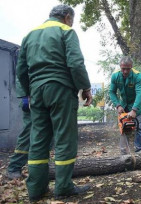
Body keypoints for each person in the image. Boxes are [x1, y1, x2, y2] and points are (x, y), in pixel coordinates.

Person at [16, 4, 92, 202]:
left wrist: (28, 93)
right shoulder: (66, 31)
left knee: (39, 139)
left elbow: (21, 69)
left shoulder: (30, 35)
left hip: (37, 92)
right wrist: (85, 87)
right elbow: (75, 63)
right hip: (60, 89)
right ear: (67, 17)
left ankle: (35, 189)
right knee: (65, 138)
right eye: (72, 19)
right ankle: (64, 187)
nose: (71, 22)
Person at [109, 56, 141, 154]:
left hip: (138, 106)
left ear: (131, 67)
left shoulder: (138, 76)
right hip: (123, 106)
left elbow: (140, 93)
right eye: (123, 69)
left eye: (127, 69)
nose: (125, 71)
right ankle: (124, 153)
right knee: (123, 128)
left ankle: (140, 152)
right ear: (120, 67)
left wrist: (134, 110)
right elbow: (111, 92)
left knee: (139, 128)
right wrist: (118, 105)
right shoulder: (115, 76)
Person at [6, 79, 31, 180]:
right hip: (31, 101)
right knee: (28, 134)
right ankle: (14, 167)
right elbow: (20, 75)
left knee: (47, 137)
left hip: (44, 98)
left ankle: (39, 169)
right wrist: (24, 96)